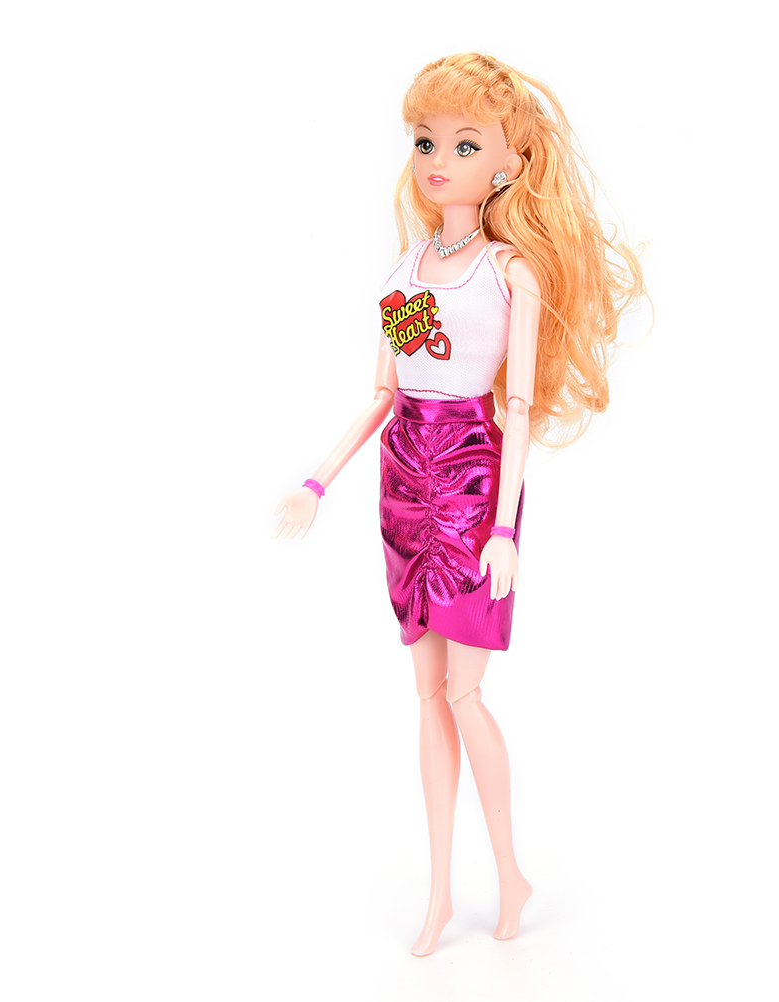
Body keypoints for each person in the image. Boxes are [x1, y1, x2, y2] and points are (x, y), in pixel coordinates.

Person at [274, 52, 644, 956]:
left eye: (465, 144)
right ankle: (440, 892)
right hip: (405, 480)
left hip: (474, 479)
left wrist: (506, 526)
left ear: (510, 164)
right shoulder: (407, 271)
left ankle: (510, 871)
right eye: (426, 141)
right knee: (427, 696)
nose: (439, 160)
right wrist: (317, 481)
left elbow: (517, 408)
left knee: (467, 694)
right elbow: (387, 390)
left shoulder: (510, 272)